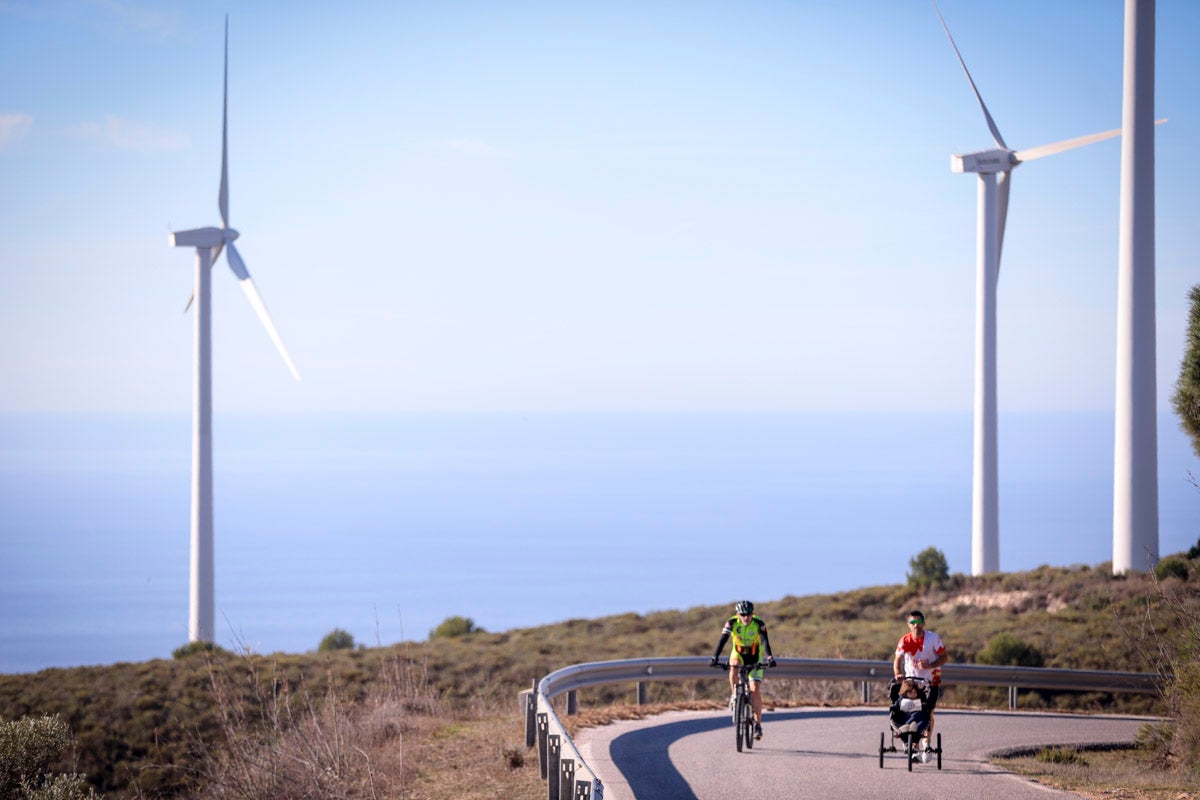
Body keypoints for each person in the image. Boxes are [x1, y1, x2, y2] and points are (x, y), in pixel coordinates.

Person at [710, 600, 776, 740]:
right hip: (739, 654)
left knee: (755, 689)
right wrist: (715, 657)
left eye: (748, 614)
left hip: (755, 656)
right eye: (743, 615)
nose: (746, 618)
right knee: (733, 666)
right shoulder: (732, 622)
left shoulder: (759, 623)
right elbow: (723, 639)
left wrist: (769, 657)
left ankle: (758, 725)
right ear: (737, 614)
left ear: (752, 613)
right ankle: (735, 695)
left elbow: (765, 641)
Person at [892, 609, 947, 761]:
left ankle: (927, 743)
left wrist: (931, 665)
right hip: (912, 682)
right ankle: (913, 745)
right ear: (908, 625)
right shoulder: (904, 641)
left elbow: (944, 657)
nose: (916, 625)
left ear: (923, 623)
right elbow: (897, 660)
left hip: (931, 681)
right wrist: (897, 674)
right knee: (910, 710)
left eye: (918, 622)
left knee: (928, 712)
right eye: (912, 622)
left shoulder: (933, 639)